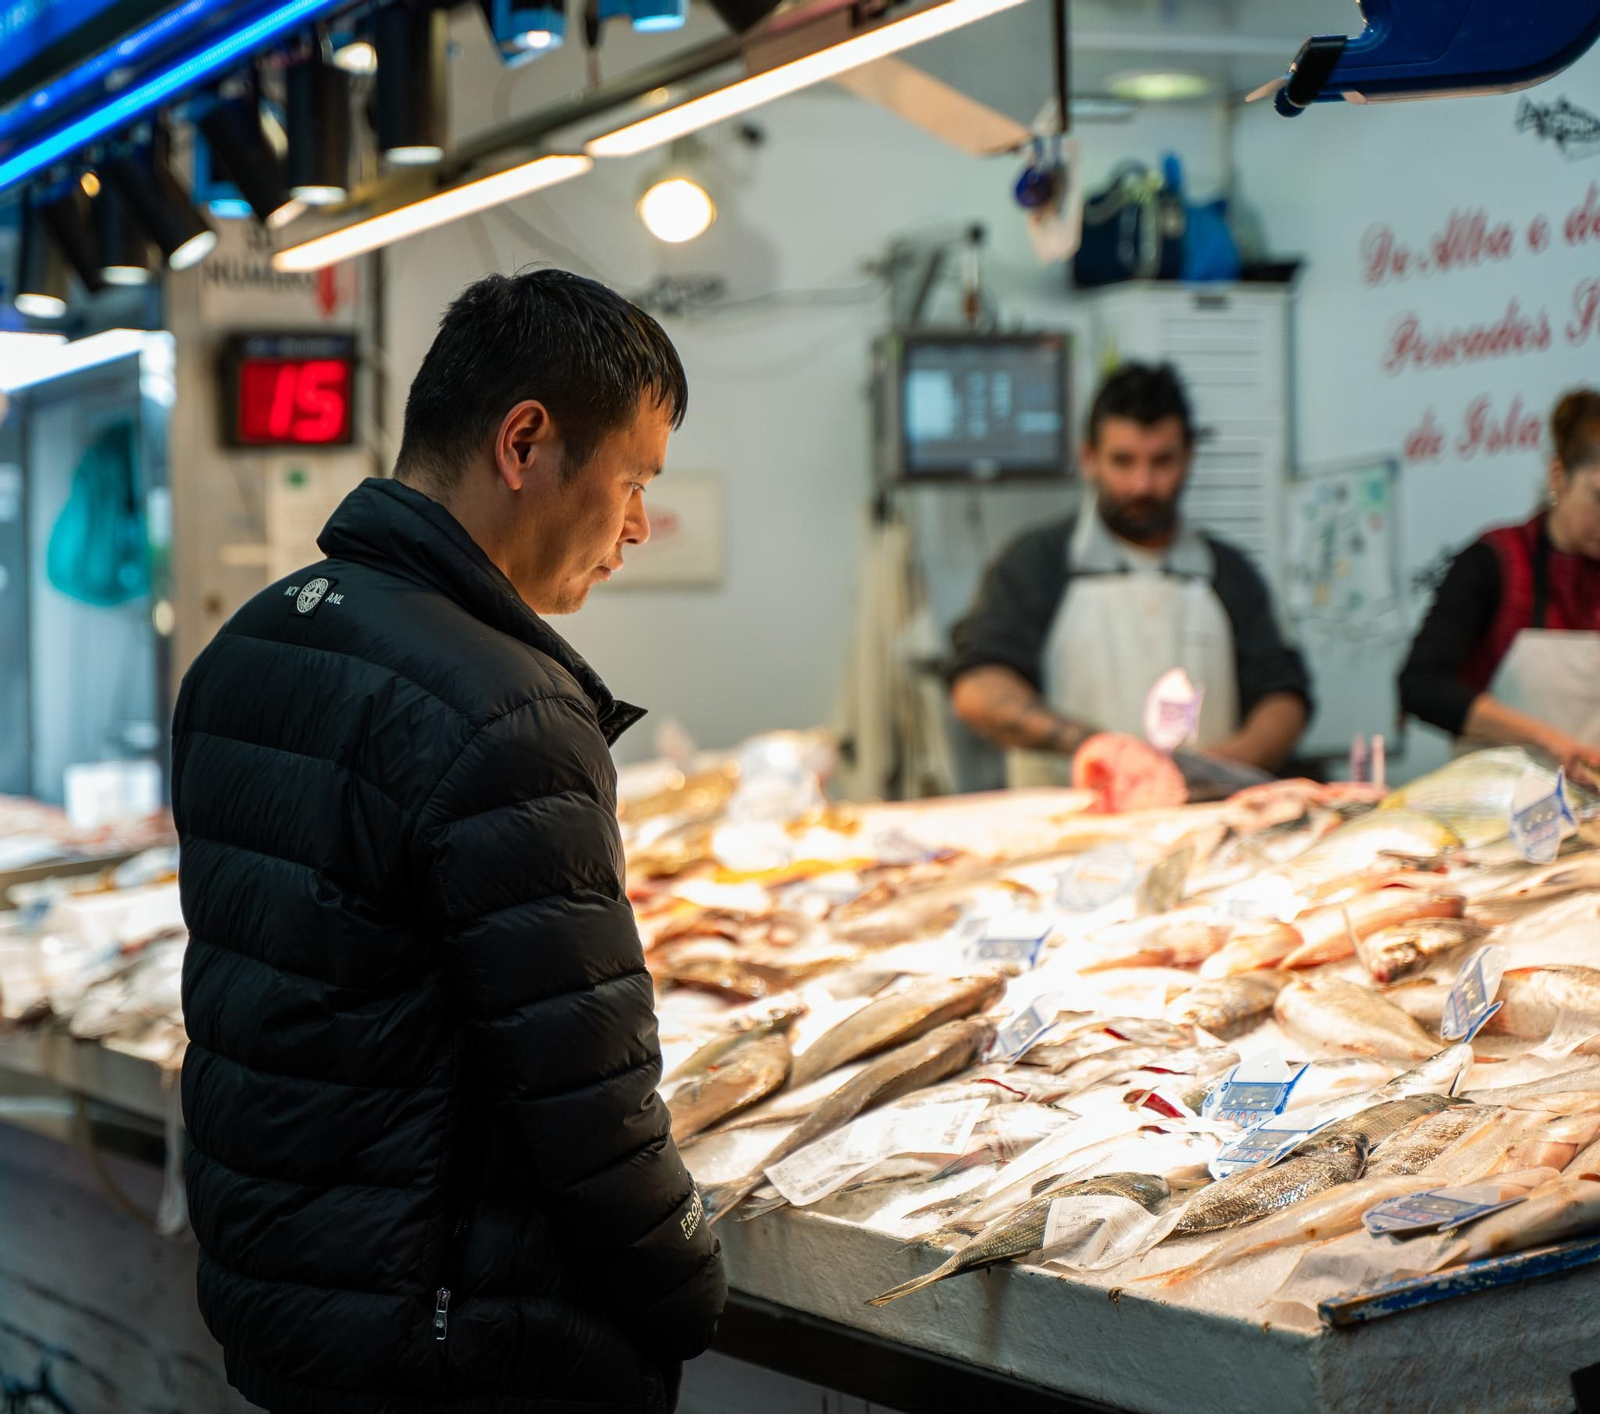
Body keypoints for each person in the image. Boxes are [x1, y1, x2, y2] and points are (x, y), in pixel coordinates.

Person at [171, 270, 725, 1414]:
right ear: (524, 441)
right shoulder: (503, 708)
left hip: (297, 1309)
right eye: (631, 481)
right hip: (453, 1348)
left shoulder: (250, 645)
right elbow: (587, 1101)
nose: (635, 526)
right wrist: (689, 1292)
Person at [948, 361, 1311, 787]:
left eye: (1162, 462)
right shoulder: (1039, 561)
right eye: (1123, 462)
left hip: (1199, 822)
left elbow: (1283, 698)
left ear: (1189, 458)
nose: (1142, 484)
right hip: (1071, 823)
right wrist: (1098, 748)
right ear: (1090, 459)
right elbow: (977, 689)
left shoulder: (1229, 573)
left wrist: (1213, 771)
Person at [1400, 388, 1600, 771]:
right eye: (1599, 497)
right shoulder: (1494, 562)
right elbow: (1420, 686)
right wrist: (1546, 738)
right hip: (1497, 806)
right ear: (1559, 477)